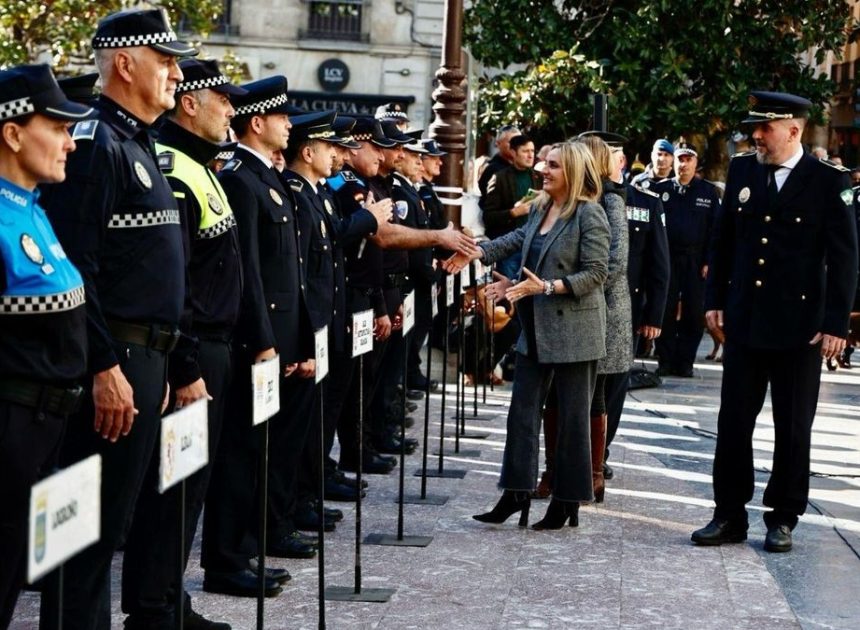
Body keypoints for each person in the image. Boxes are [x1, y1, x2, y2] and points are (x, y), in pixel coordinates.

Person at [37, 9, 198, 629]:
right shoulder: (96, 142)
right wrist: (103, 364)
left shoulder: (137, 142)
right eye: (166, 60)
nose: (176, 74)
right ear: (125, 63)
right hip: (115, 363)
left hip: (146, 361)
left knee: (108, 529)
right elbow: (75, 265)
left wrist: (176, 364)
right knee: (83, 534)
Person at [692, 91, 858, 553]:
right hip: (744, 319)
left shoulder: (829, 181)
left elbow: (845, 259)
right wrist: (715, 299)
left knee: (792, 427)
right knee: (733, 423)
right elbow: (723, 242)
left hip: (798, 326)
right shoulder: (745, 170)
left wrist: (835, 325)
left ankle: (783, 516)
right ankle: (728, 514)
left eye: (765, 128)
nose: (756, 136)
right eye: (755, 128)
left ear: (794, 129)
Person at [118, 59, 249, 630]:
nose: (232, 112)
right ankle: (153, 608)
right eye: (223, 100)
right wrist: (187, 361)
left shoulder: (199, 164)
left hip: (212, 348)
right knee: (170, 487)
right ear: (191, 102)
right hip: (189, 351)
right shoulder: (171, 164)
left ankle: (169, 598)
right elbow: (178, 282)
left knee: (188, 483)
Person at [444, 142, 610, 530]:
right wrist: (474, 252)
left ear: (571, 172)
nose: (542, 170)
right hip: (536, 330)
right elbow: (512, 242)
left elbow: (597, 273)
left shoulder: (590, 215)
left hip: (575, 331)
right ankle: (516, 492)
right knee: (521, 413)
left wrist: (545, 287)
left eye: (552, 165)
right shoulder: (540, 207)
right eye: (544, 164)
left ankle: (568, 500)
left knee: (572, 420)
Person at [0, 63, 91, 630]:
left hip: (44, 433)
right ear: (11, 133)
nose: (70, 142)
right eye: (57, 127)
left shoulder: (32, 206)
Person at [653, 142, 721, 377]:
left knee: (693, 313)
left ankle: (685, 362)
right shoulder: (661, 190)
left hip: (695, 260)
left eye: (688, 159)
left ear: (695, 162)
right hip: (668, 258)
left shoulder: (708, 192)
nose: (683, 164)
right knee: (665, 309)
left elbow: (715, 231)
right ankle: (665, 359)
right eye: (680, 159)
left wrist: (709, 261)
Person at [480, 134, 543, 279]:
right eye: (525, 151)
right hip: (510, 247)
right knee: (509, 291)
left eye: (532, 151)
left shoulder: (539, 178)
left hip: (534, 245)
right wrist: (513, 213)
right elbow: (488, 216)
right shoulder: (500, 178)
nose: (530, 155)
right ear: (513, 152)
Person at [477, 124, 521, 197]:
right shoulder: (492, 169)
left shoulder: (522, 167)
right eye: (511, 142)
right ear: (498, 143)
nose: (515, 145)